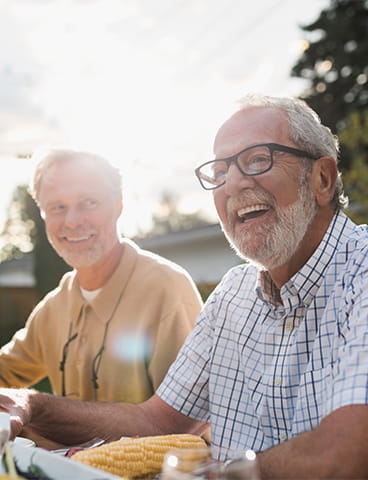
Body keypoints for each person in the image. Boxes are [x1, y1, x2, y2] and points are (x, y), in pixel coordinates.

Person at [1, 93, 368, 479]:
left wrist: (212, 476)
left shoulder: (360, 273)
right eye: (220, 171)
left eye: (258, 159)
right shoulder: (232, 295)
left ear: (322, 178)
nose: (235, 183)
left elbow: (349, 451)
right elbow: (158, 422)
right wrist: (31, 405)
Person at [0, 147, 203, 405]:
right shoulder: (54, 308)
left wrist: (41, 412)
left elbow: (189, 419)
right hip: (70, 448)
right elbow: (5, 372)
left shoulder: (167, 289)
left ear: (118, 204)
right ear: (43, 215)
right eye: (57, 207)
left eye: (89, 203)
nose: (72, 222)